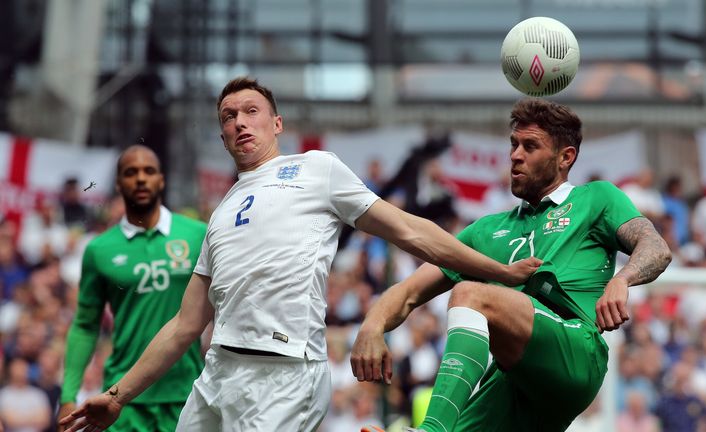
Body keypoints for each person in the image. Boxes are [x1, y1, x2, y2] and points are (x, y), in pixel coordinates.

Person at [61, 77, 540, 432]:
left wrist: (495, 270)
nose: (239, 121)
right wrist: (117, 396)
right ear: (222, 136)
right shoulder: (222, 210)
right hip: (217, 375)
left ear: (277, 123)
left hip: (284, 375)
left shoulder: (316, 170)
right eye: (228, 117)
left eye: (250, 111)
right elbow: (184, 325)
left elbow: (410, 231)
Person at [353, 98, 672, 432]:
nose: (516, 155)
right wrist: (372, 325)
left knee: (470, 295)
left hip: (575, 351)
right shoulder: (486, 231)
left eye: (530, 146)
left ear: (565, 157)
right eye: (514, 144)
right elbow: (407, 292)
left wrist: (622, 279)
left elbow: (655, 247)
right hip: (513, 375)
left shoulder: (595, 199)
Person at [57, 145, 208, 432]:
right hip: (121, 400)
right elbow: (86, 325)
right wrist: (68, 395)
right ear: (118, 183)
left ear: (161, 180)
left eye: (148, 171)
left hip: (187, 395)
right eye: (131, 172)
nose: (140, 178)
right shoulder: (99, 250)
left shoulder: (198, 235)